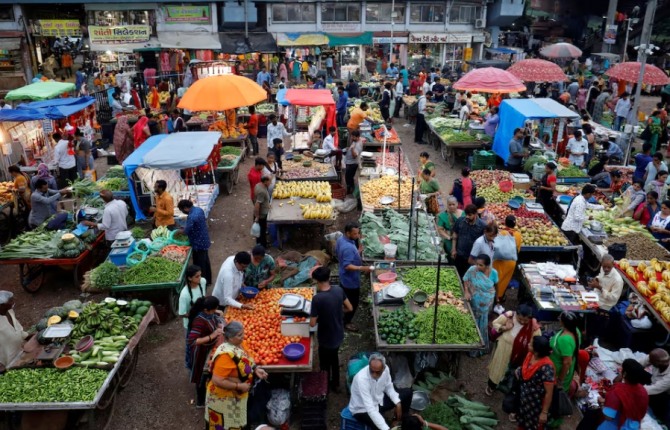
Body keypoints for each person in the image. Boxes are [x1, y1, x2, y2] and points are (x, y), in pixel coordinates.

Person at [205, 321, 269, 430]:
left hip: (237, 395)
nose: (243, 337)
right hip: (223, 397)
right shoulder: (224, 355)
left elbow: (246, 359)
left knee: (238, 421)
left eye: (242, 333)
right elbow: (217, 380)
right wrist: (239, 386)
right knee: (225, 424)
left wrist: (255, 369)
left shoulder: (239, 344)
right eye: (239, 335)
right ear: (229, 338)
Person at [309, 267, 352, 392]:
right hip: (338, 334)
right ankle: (336, 384)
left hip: (325, 337)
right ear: (328, 278)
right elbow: (349, 308)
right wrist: (338, 311)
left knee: (324, 363)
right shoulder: (339, 290)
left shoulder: (317, 299)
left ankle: (324, 385)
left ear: (317, 281)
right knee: (334, 358)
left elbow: (312, 323)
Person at [486, 304, 541, 395]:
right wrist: (505, 328)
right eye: (520, 319)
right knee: (498, 368)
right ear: (516, 314)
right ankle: (491, 386)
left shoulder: (533, 326)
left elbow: (537, 339)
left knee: (512, 371)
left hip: (520, 353)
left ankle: (507, 387)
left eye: (525, 320)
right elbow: (495, 323)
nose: (522, 322)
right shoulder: (509, 315)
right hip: (504, 348)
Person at [349, 353, 410, 430]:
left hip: (378, 401)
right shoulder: (361, 379)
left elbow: (388, 387)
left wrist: (397, 403)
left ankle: (400, 420)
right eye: (372, 371)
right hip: (362, 409)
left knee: (408, 393)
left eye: (377, 372)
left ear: (383, 368)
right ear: (369, 366)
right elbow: (370, 408)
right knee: (380, 426)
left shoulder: (386, 370)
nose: (374, 375)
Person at [186, 295, 222, 408]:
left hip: (209, 348)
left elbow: (215, 317)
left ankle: (208, 390)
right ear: (206, 310)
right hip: (200, 351)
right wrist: (212, 336)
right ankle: (200, 402)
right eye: (213, 309)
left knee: (208, 373)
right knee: (201, 375)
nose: (215, 311)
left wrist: (219, 323)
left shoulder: (209, 314)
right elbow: (192, 341)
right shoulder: (199, 321)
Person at [336, 222, 371, 332]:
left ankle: (339, 314)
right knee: (352, 303)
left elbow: (339, 254)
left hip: (343, 276)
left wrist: (357, 252)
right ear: (347, 233)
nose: (357, 236)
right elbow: (347, 266)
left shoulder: (341, 239)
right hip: (350, 280)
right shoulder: (348, 248)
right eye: (355, 234)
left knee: (344, 298)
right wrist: (362, 268)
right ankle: (346, 322)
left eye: (358, 233)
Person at [597, 358, 651, 430]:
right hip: (634, 427)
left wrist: (602, 404)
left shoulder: (617, 392)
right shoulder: (643, 391)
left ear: (624, 373)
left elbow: (608, 417)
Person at [514, 336, 556, 429]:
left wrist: (544, 413)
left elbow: (549, 393)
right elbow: (525, 369)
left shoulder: (547, 368)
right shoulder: (530, 355)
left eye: (531, 344)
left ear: (537, 351)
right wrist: (519, 371)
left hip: (536, 406)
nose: (528, 344)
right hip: (525, 400)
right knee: (522, 422)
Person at [463, 254, 498, 353]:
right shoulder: (472, 270)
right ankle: (470, 344)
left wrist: (497, 298)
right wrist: (466, 291)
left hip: (487, 301)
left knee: (483, 321)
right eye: (477, 264)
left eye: (481, 265)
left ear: (487, 265)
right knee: (473, 319)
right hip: (475, 300)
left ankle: (480, 346)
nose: (478, 266)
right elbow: (465, 279)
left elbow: (496, 285)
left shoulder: (493, 273)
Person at [586, 254, 624, 341]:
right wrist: (595, 281)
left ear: (613, 265)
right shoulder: (603, 269)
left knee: (593, 322)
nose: (606, 269)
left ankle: (593, 338)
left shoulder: (617, 280)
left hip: (605, 305)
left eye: (608, 267)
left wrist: (599, 287)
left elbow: (613, 298)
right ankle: (587, 333)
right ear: (601, 264)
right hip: (596, 297)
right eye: (604, 267)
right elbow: (600, 277)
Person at [178, 199, 212, 284]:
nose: (183, 212)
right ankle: (208, 280)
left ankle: (202, 281)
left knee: (200, 264)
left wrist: (179, 231)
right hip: (204, 239)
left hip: (198, 243)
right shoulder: (199, 210)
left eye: (182, 210)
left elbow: (186, 231)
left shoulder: (192, 216)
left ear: (185, 208)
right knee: (205, 261)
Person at [550, 311, 582, 392]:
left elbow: (567, 362)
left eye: (560, 318)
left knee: (556, 394)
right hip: (565, 368)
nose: (559, 320)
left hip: (559, 371)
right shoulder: (576, 331)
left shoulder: (564, 339)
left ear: (563, 322)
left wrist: (560, 380)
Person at [451, 204, 487, 276]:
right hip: (459, 255)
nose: (467, 216)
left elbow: (484, 243)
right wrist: (453, 249)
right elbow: (455, 235)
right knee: (457, 275)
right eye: (466, 214)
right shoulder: (460, 221)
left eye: (470, 215)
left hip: (472, 258)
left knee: (468, 277)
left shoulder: (482, 226)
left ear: (476, 214)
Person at [493, 215, 522, 302]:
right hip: (511, 261)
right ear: (515, 224)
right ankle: (500, 296)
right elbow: (518, 248)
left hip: (499, 261)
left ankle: (493, 296)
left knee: (497, 278)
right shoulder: (518, 235)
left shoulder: (501, 233)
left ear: (505, 223)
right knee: (505, 279)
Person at [638, 348, 670, 426]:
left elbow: (654, 389)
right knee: (637, 372)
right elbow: (638, 365)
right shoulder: (655, 359)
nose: (649, 360)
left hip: (665, 393)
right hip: (654, 382)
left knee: (663, 414)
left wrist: (631, 390)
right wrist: (623, 373)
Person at [0, 291, 28, 372]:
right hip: (5, 361)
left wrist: (26, 335)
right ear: (2, 305)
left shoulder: (10, 311)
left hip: (19, 353)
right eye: (11, 300)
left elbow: (17, 326)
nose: (14, 301)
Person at [179, 265, 208, 329]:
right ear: (190, 278)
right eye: (197, 276)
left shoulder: (203, 281)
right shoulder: (185, 294)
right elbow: (181, 314)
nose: (200, 278)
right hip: (192, 324)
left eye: (200, 275)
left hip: (203, 320)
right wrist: (195, 315)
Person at [253, 176, 271, 248]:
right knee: (262, 232)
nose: (270, 183)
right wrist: (257, 216)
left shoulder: (258, 185)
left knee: (261, 231)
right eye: (270, 181)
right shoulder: (262, 191)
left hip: (261, 212)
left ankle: (261, 244)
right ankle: (262, 246)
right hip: (261, 214)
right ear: (265, 181)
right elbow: (258, 204)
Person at [344, 130, 362, 195]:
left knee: (348, 177)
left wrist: (351, 149)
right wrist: (349, 148)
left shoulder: (358, 145)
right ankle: (350, 187)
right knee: (349, 176)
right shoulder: (355, 141)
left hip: (352, 163)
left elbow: (354, 156)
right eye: (352, 136)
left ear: (358, 137)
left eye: (354, 137)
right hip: (349, 162)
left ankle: (350, 189)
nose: (352, 138)